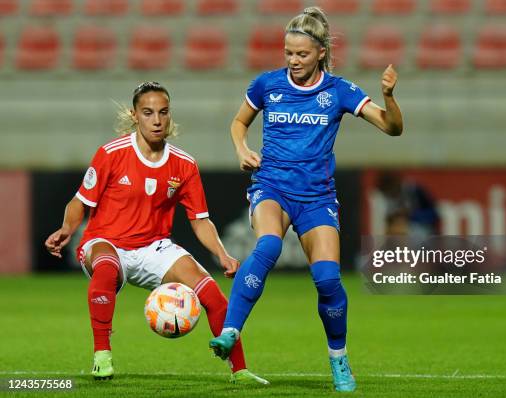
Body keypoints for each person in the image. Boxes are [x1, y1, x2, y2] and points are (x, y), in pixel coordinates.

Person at [208, 7, 403, 392]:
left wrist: (389, 96)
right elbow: (238, 122)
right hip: (272, 186)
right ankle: (230, 331)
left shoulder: (340, 91)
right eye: (288, 53)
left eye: (301, 54)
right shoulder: (267, 85)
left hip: (316, 197)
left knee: (327, 278)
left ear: (320, 53)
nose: (293, 61)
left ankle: (339, 359)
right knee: (266, 245)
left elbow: (393, 128)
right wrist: (241, 148)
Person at [44, 82, 268, 385]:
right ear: (135, 115)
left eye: (163, 112)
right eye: (148, 113)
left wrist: (222, 254)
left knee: (212, 295)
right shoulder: (111, 153)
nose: (157, 120)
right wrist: (67, 229)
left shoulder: (184, 164)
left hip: (154, 248)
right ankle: (102, 356)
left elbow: (201, 220)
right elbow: (80, 201)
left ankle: (239, 370)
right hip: (105, 242)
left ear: (170, 115)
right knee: (107, 268)